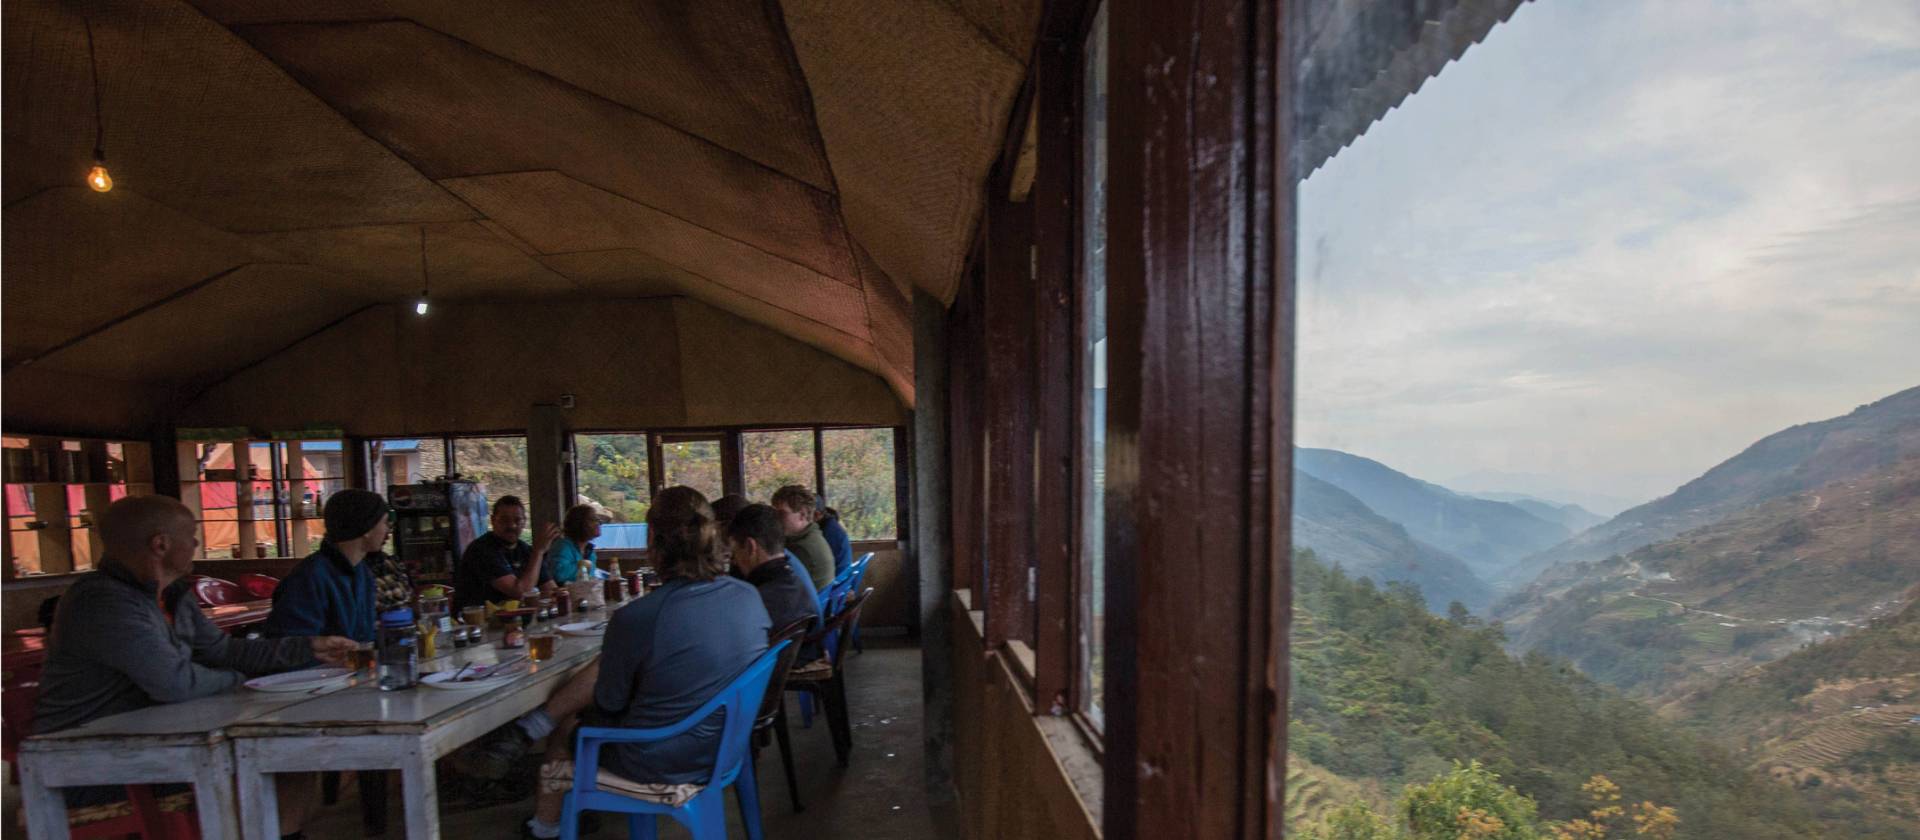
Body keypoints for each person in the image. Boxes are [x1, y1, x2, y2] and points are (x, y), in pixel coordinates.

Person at [462, 487, 770, 840]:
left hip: (658, 759)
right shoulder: (748, 596)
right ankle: (532, 731)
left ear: (652, 538)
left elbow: (609, 701)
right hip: (725, 745)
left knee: (567, 728)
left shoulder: (640, 617)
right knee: (606, 674)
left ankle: (544, 827)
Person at [32, 495, 356, 830]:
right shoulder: (104, 602)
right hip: (90, 762)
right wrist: (239, 681)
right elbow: (176, 684)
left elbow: (223, 651)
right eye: (191, 535)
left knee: (291, 757)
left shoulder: (172, 595)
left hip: (158, 739)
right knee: (264, 762)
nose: (198, 543)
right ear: (161, 544)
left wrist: (307, 649)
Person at [261, 489, 406, 642]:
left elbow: (363, 638)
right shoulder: (309, 577)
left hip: (354, 665)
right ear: (367, 528)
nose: (388, 529)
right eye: (384, 522)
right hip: (321, 666)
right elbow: (287, 645)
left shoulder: (362, 573)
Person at [726, 503, 822, 635]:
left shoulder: (753, 602)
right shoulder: (796, 582)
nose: (734, 560)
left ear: (750, 546)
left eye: (734, 551)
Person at [453, 495, 561, 611]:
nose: (512, 525)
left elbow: (551, 590)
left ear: (524, 522)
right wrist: (539, 551)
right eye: (504, 520)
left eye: (517, 520)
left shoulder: (526, 550)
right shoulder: (482, 550)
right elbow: (520, 592)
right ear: (493, 520)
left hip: (515, 619)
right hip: (478, 622)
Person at [771, 485, 835, 590]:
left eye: (781, 513)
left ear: (802, 515)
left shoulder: (800, 548)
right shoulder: (814, 535)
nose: (775, 519)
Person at [546, 504, 603, 585]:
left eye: (598, 520)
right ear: (578, 523)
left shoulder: (589, 550)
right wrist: (586, 565)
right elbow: (559, 575)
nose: (598, 523)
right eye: (593, 519)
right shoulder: (562, 546)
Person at [817, 505, 855, 578]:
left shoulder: (829, 531)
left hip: (838, 580)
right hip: (842, 576)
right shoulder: (834, 525)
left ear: (818, 515)